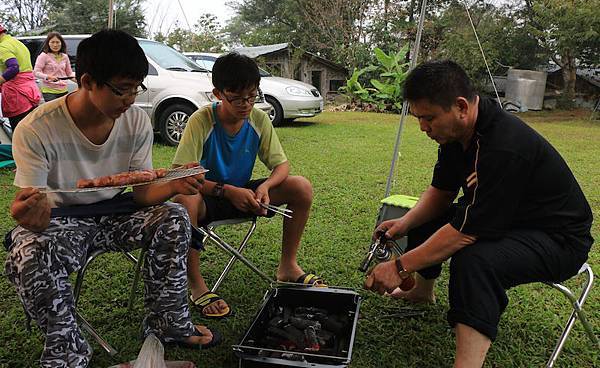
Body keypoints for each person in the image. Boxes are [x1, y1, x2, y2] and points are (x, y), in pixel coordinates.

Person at [4, 29, 220, 368]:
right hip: (64, 220)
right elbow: (37, 211)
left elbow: (144, 193)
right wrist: (28, 216)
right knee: (28, 249)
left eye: (137, 88)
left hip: (118, 214)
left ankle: (169, 324)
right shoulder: (36, 128)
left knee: (175, 218)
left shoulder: (135, 121)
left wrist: (176, 184)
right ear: (87, 81)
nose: (131, 99)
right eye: (122, 89)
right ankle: (69, 354)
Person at [364, 60, 593, 367]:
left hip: (558, 239)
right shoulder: (455, 135)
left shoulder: (502, 146)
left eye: (428, 118)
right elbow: (441, 193)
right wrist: (403, 225)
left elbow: (466, 233)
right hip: (512, 219)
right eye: (419, 119)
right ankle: (422, 291)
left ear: (460, 106)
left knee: (474, 259)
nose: (423, 128)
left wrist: (400, 266)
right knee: (432, 213)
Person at [173, 52, 324, 318]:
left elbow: (281, 166)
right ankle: (196, 285)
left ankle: (288, 266)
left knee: (300, 186)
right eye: (237, 98)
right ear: (218, 94)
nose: (245, 104)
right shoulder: (201, 120)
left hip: (246, 194)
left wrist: (265, 187)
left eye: (252, 96)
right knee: (184, 200)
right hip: (208, 197)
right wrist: (226, 191)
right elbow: (182, 176)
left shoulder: (257, 118)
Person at [0, 23, 41, 130]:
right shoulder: (17, 43)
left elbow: (13, 68)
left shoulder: (3, 47)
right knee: (31, 131)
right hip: (29, 91)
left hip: (17, 95)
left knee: (19, 133)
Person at [33, 32, 76, 102]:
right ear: (48, 43)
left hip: (63, 90)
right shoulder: (44, 56)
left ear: (61, 43)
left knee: (63, 112)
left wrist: (80, 82)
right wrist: (48, 77)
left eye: (57, 42)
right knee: (53, 112)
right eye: (52, 42)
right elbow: (36, 72)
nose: (55, 45)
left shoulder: (65, 56)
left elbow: (69, 74)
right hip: (49, 91)